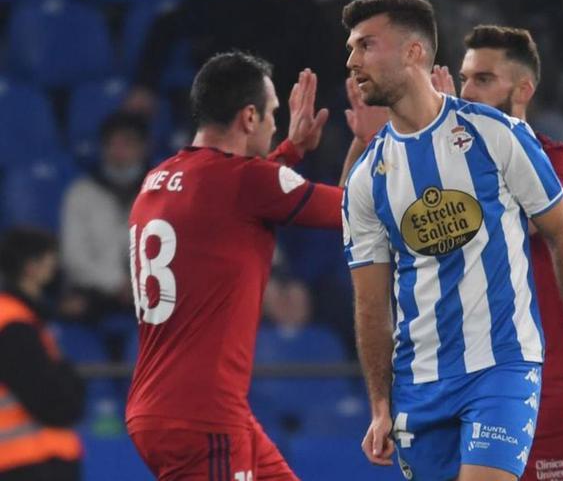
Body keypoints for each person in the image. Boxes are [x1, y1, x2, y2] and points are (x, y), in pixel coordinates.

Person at [340, 0, 563, 481]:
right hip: (419, 382)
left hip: (502, 366)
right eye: (352, 48)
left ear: (413, 52)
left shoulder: (498, 134)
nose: (353, 60)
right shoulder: (367, 177)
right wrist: (380, 404)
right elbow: (370, 303)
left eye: (366, 45)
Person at [126, 51, 349, 480]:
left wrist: (291, 151)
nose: (274, 125)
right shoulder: (244, 182)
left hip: (173, 405)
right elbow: (357, 210)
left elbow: (236, 196)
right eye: (273, 115)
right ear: (249, 117)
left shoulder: (160, 178)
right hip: (203, 415)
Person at [429, 25, 563, 481]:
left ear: (523, 89)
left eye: (483, 80)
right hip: (470, 389)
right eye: (465, 78)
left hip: (551, 390)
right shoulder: (435, 164)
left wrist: (451, 147)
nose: (467, 91)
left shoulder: (556, 160)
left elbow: (525, 219)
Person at [0, 228, 85, 481]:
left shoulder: (25, 319)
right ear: (31, 267)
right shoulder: (13, 324)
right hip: (30, 463)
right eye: (51, 263)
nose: (56, 272)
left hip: (34, 461)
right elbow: (53, 401)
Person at [60, 112, 150, 324]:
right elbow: (74, 257)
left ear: (144, 147)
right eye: (112, 144)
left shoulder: (162, 191)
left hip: (152, 290)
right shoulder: (81, 192)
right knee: (72, 308)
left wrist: (140, 284)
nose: (119, 152)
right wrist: (116, 283)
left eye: (127, 144)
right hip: (95, 292)